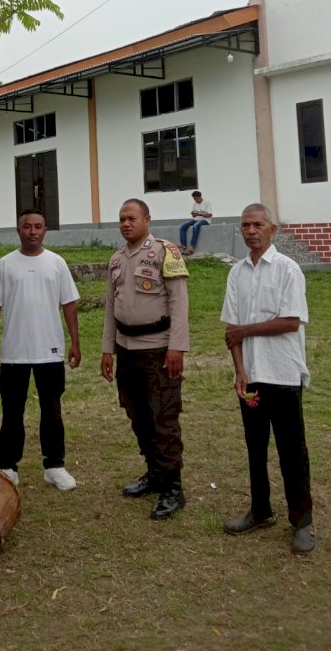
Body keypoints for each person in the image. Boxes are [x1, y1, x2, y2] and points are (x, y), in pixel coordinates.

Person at [221, 203, 316, 554]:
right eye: (245, 225)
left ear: (271, 230)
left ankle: (302, 520)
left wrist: (245, 331)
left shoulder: (288, 270)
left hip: (284, 374)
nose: (250, 230)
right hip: (252, 379)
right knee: (255, 447)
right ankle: (260, 510)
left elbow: (291, 321)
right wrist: (240, 371)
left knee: (292, 450)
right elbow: (231, 331)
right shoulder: (237, 274)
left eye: (258, 224)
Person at [101, 198, 189, 520]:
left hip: (158, 350)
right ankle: (154, 474)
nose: (126, 223)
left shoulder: (167, 252)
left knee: (163, 418)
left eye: (132, 218)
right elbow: (111, 308)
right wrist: (107, 349)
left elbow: (179, 302)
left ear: (147, 220)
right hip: (126, 350)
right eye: (121, 218)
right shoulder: (115, 260)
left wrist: (177, 347)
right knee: (137, 415)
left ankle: (173, 488)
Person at [0, 209, 81, 490]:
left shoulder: (57, 263)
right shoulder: (5, 265)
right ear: (19, 231)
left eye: (38, 226)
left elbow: (69, 305)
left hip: (49, 352)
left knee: (52, 409)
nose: (32, 231)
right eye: (27, 227)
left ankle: (54, 465)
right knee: (12, 411)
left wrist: (75, 342)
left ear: (45, 230)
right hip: (14, 352)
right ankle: (7, 466)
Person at [178, 190, 212, 255]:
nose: (195, 200)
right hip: (196, 219)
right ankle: (184, 245)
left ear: (200, 197)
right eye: (194, 199)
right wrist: (194, 214)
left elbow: (209, 215)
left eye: (196, 199)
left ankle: (192, 246)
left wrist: (199, 214)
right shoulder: (194, 203)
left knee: (196, 226)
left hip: (205, 220)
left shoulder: (207, 202)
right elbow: (193, 214)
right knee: (182, 226)